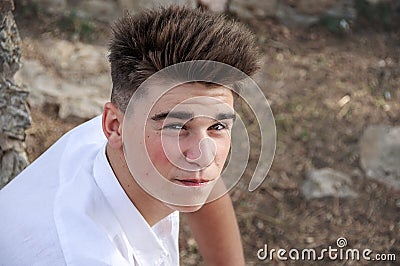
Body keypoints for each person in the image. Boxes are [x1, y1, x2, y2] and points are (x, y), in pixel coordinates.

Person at [0, 5, 259, 265]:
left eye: (217, 127)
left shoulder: (128, 134)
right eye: (177, 128)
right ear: (113, 126)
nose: (203, 156)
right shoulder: (85, 254)